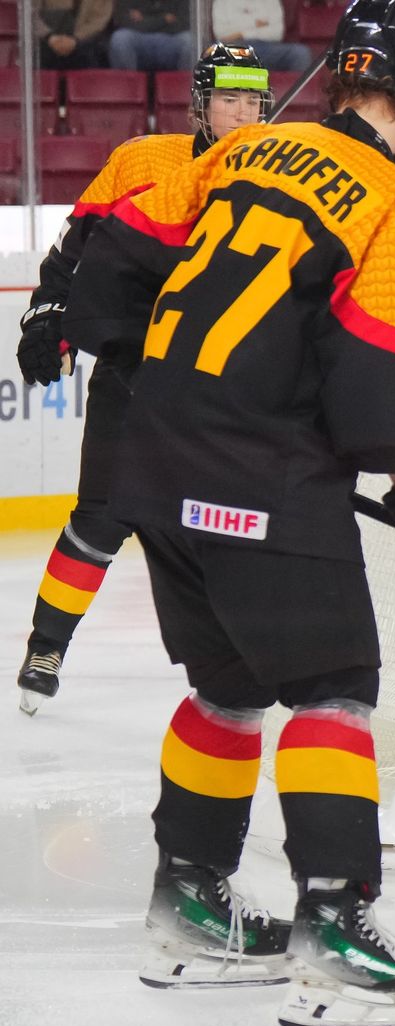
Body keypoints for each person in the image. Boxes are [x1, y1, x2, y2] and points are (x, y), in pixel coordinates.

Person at [62, 0, 395, 1026]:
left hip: (152, 459)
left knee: (231, 684)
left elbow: (107, 269)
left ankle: (190, 909)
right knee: (334, 689)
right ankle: (336, 936)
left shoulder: (240, 152)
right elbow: (380, 376)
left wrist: (187, 388)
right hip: (256, 476)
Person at [15, 44, 272, 717]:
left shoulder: (281, 176)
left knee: (225, 528)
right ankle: (46, 645)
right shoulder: (142, 161)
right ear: (201, 104)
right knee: (100, 519)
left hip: (227, 386)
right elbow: (76, 248)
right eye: (229, 98)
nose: (242, 112)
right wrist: (49, 315)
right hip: (134, 371)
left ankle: (239, 661)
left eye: (252, 100)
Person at [211, 0, 313, 71]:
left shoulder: (271, 2)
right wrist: (256, 24)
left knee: (301, 53)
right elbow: (221, 34)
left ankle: (296, 96)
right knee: (219, 52)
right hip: (235, 48)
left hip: (268, 48)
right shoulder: (222, 2)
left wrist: (241, 33)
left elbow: (277, 33)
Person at [109, 0, 195, 70]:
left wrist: (144, 20)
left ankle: (185, 84)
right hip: (139, 39)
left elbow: (185, 24)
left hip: (171, 39)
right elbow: (122, 20)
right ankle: (128, 84)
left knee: (189, 41)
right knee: (120, 38)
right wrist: (164, 19)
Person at [35, 0, 113, 70]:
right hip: (47, 38)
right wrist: (49, 36)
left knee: (92, 50)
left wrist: (75, 40)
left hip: (87, 40)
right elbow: (31, 15)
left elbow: (100, 20)